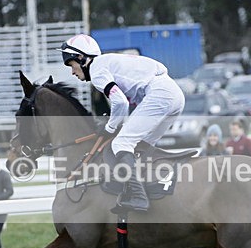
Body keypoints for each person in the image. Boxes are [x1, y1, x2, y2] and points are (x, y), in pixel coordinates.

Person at [61, 33, 185, 212]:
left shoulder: (97, 70)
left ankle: (139, 197)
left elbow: (120, 102)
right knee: (141, 146)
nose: (73, 72)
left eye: (71, 65)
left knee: (121, 143)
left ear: (81, 58)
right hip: (174, 93)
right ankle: (147, 188)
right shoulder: (108, 62)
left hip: (160, 93)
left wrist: (110, 127)